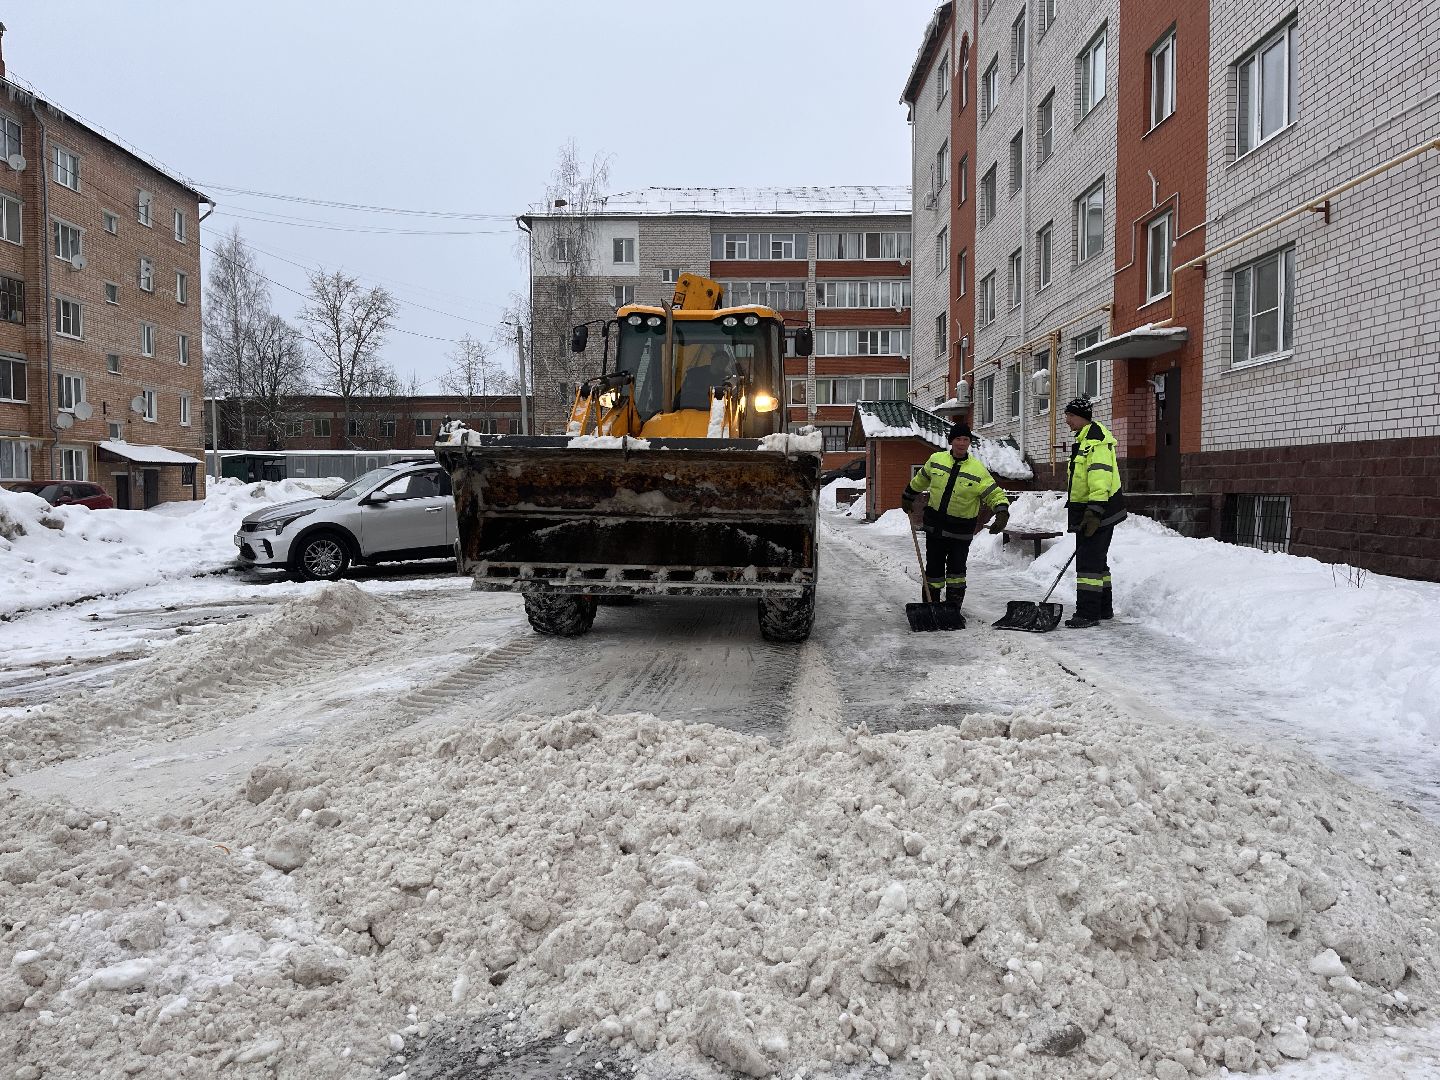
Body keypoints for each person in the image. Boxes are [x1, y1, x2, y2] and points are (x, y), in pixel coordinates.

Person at [900, 422, 1010, 615]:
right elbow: (921, 479)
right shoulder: (936, 460)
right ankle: (930, 607)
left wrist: (1001, 512)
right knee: (933, 570)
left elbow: (993, 493)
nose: (961, 443)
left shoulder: (978, 470)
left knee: (956, 572)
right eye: (958, 439)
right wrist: (908, 495)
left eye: (966, 439)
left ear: (969, 443)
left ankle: (952, 610)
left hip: (961, 530)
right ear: (951, 441)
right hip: (935, 526)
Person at [1061, 397, 1126, 628]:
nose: (1066, 420)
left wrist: (1095, 510)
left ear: (1081, 417)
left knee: (1089, 563)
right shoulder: (1085, 439)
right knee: (1097, 561)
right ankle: (1103, 608)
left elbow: (1100, 477)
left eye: (1070, 415)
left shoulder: (1095, 441)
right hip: (1089, 509)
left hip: (1098, 510)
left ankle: (1087, 613)